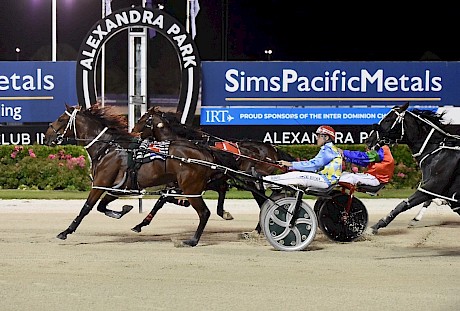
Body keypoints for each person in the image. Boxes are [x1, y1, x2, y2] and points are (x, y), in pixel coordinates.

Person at [263, 125, 342, 189]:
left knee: (297, 176)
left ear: (326, 137)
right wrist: (289, 166)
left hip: (326, 180)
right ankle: (267, 182)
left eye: (319, 136)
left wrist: (290, 164)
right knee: (295, 175)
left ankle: (265, 181)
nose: (316, 138)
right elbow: (313, 164)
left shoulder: (329, 150)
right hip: (324, 178)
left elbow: (314, 165)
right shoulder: (327, 149)